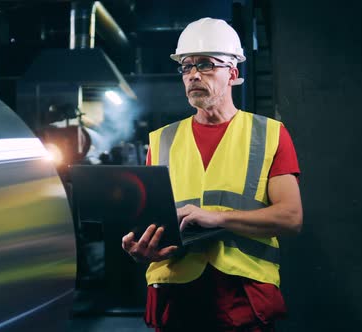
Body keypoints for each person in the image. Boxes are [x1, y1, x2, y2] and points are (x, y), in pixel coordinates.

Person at [121, 17, 303, 332]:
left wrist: (215, 218)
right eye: (186, 66)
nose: (193, 75)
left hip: (241, 298)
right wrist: (142, 249)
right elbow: (151, 220)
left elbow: (291, 218)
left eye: (205, 65)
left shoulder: (270, 134)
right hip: (175, 296)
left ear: (232, 73)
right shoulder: (161, 140)